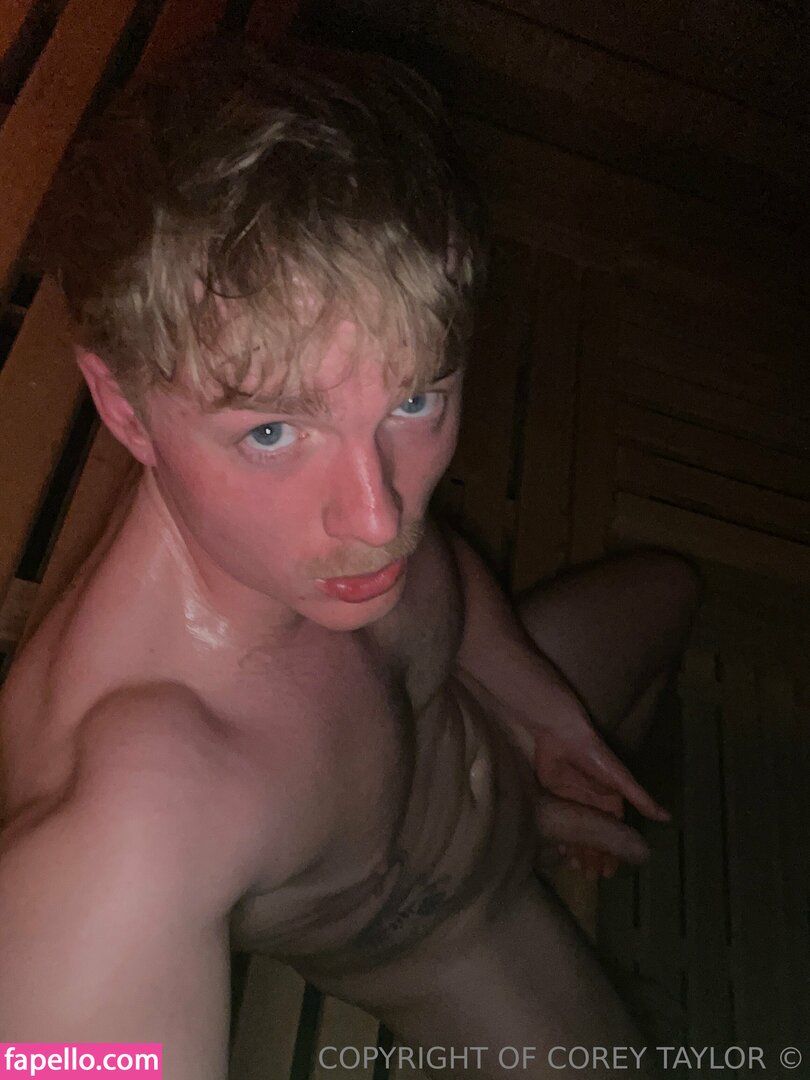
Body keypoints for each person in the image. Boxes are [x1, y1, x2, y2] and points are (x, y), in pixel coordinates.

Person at [0, 33, 700, 1078]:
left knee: (673, 590)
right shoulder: (133, 819)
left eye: (415, 401)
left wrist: (545, 714)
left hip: (487, 741)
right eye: (271, 432)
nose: (378, 517)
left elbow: (439, 571)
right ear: (124, 408)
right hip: (451, 927)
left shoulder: (317, 526)